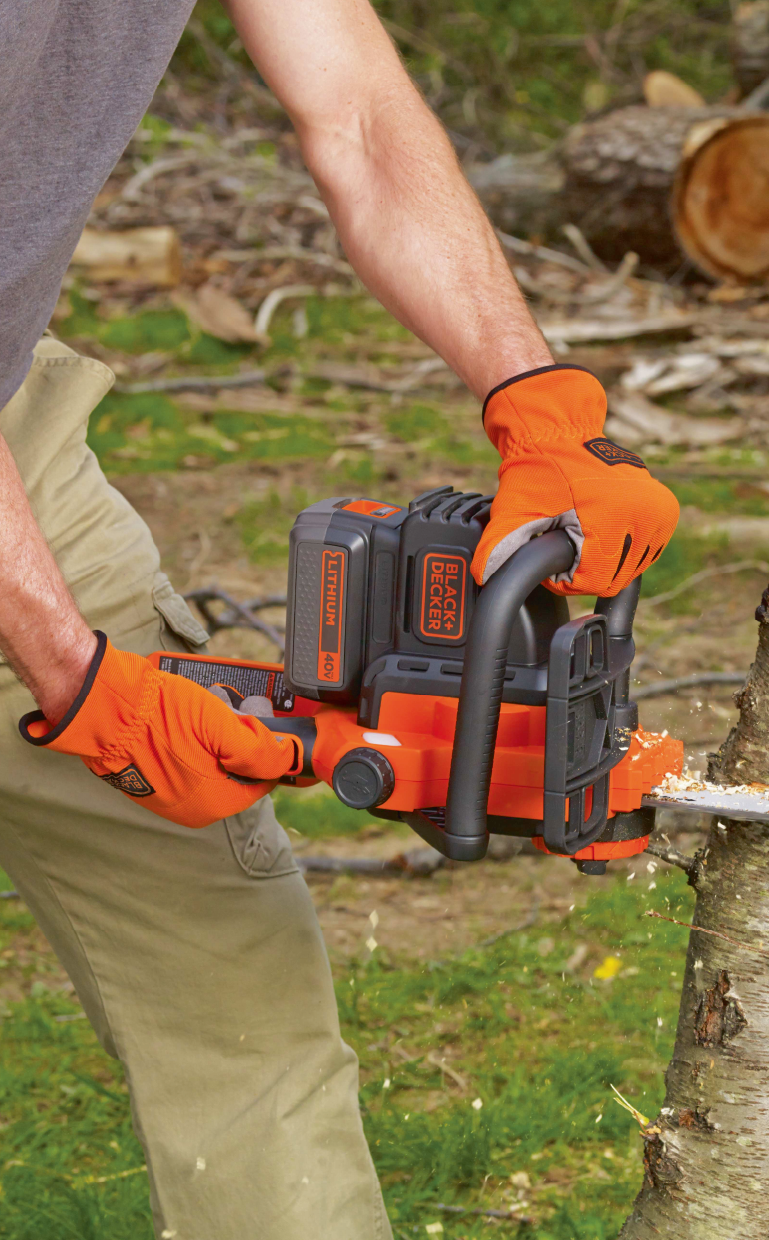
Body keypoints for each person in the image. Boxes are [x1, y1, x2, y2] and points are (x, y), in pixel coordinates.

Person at [0, 2, 679, 1236]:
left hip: (14, 445)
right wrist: (63, 663)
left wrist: (535, 398)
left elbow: (358, 114)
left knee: (229, 976)